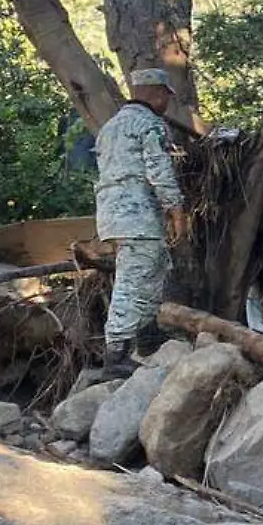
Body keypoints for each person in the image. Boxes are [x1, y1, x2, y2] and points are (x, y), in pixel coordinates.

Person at [94, 69, 186, 374]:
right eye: (166, 97)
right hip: (138, 214)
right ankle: (116, 352)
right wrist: (176, 210)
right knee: (133, 278)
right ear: (157, 93)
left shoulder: (109, 127)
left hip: (113, 213)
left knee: (153, 269)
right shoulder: (149, 124)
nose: (167, 104)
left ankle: (147, 336)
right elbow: (159, 170)